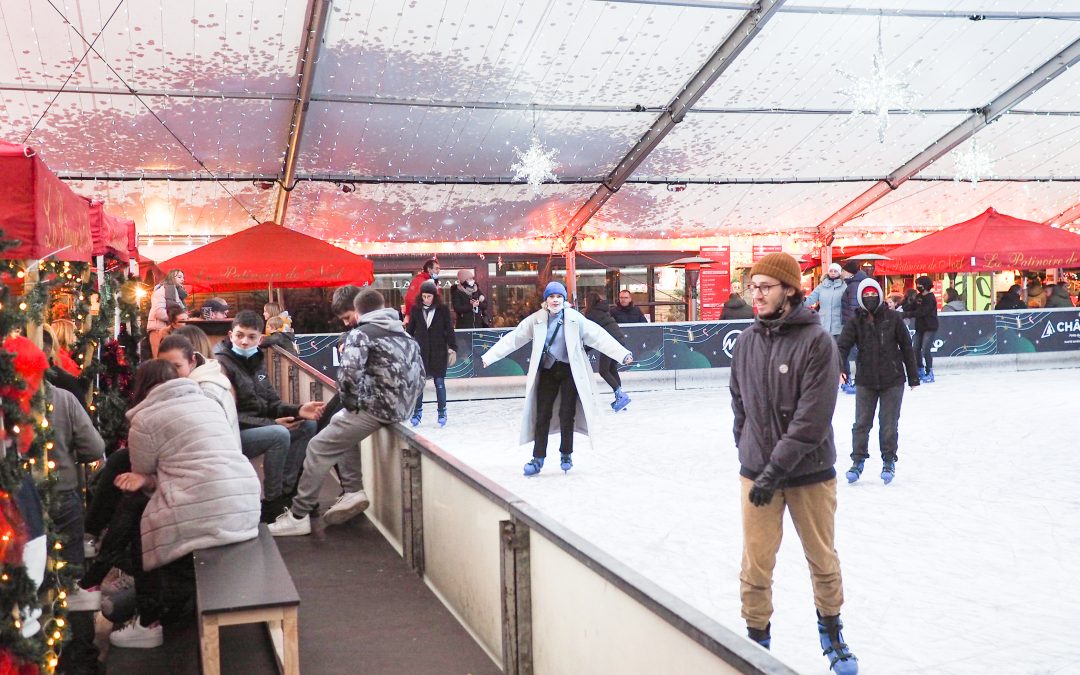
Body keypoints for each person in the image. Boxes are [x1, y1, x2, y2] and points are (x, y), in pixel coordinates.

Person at [728, 252, 858, 674]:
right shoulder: (746, 341)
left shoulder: (817, 342)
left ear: (790, 291)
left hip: (808, 474)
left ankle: (832, 630)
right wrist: (748, 450)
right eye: (753, 287)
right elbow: (739, 402)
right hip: (757, 474)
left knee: (821, 557)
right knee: (756, 562)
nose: (757, 295)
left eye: (766, 287)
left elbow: (813, 419)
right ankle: (756, 639)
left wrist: (772, 469)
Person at [108, 360, 260, 648]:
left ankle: (148, 621)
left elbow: (143, 474)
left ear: (141, 389)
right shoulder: (208, 403)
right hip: (246, 502)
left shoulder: (144, 420)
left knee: (140, 519)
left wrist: (146, 481)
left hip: (209, 510)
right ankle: (145, 602)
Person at [268, 289, 425, 537]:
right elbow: (421, 376)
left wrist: (354, 403)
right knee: (338, 420)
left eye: (348, 317)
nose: (347, 323)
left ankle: (299, 515)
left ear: (359, 310)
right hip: (400, 408)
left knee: (318, 446)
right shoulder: (403, 334)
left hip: (377, 408)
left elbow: (348, 377)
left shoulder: (361, 333)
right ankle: (352, 490)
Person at [481, 282, 633, 476]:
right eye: (551, 296)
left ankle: (566, 453)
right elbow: (514, 338)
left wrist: (622, 354)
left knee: (566, 413)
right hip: (547, 371)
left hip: (569, 371)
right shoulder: (536, 320)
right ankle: (538, 458)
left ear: (564, 299)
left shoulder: (575, 319)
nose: (555, 300)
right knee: (542, 414)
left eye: (558, 297)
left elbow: (598, 337)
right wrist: (490, 356)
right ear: (546, 299)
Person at [214, 311, 323, 521]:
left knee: (308, 426)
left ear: (260, 339)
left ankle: (288, 492)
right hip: (236, 433)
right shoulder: (222, 365)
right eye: (239, 335)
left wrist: (298, 410)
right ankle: (273, 503)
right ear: (230, 335)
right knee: (279, 434)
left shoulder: (257, 360)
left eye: (251, 337)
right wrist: (272, 423)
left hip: (260, 425)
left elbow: (271, 401)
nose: (244, 342)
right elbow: (229, 415)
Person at [46, 374, 106, 670]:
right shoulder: (62, 398)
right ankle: (80, 657)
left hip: (15, 507)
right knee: (70, 578)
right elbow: (94, 449)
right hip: (63, 496)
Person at [836, 278, 920, 485]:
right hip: (866, 380)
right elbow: (842, 347)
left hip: (893, 380)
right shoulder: (855, 322)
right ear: (861, 299)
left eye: (874, 295)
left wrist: (913, 376)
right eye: (866, 296)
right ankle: (857, 460)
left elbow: (907, 347)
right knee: (862, 423)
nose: (870, 298)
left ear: (880, 296)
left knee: (889, 424)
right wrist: (838, 368)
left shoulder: (893, 318)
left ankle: (889, 460)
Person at [157, 333, 241, 449]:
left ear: (193, 361)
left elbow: (208, 442)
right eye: (164, 366)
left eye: (177, 366)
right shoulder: (207, 376)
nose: (169, 372)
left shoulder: (204, 392)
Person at [406, 281, 457, 427]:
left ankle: (442, 412)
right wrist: (406, 344)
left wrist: (452, 347)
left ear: (434, 296)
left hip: (439, 351)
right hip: (421, 352)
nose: (426, 299)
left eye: (429, 296)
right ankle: (417, 413)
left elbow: (449, 329)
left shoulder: (442, 310)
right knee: (419, 384)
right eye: (424, 296)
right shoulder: (416, 309)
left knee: (439, 383)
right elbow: (410, 330)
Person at [583, 292, 631, 411]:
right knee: (612, 369)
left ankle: (620, 395)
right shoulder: (603, 310)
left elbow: (592, 336)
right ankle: (621, 398)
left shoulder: (591, 314)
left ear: (588, 302)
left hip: (610, 342)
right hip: (618, 339)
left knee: (603, 370)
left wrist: (584, 348)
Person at [146, 269, 187, 357]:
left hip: (170, 330)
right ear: (171, 277)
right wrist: (176, 319)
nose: (182, 279)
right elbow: (159, 312)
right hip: (158, 329)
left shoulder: (178, 294)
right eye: (179, 277)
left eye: (183, 277)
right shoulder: (161, 291)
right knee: (159, 358)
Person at [906, 276, 939, 383]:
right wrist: (904, 303)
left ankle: (929, 371)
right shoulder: (919, 296)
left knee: (925, 349)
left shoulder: (930, 298)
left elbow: (923, 311)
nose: (917, 286)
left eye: (919, 284)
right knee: (915, 349)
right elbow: (912, 307)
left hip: (930, 327)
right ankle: (920, 369)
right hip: (920, 327)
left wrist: (908, 314)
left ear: (924, 285)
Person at [804, 263, 845, 337]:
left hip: (838, 327)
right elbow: (810, 299)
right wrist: (800, 300)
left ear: (839, 273)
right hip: (823, 325)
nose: (833, 273)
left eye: (835, 271)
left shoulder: (844, 286)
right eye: (831, 271)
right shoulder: (821, 286)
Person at [403, 258, 440, 322]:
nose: (438, 271)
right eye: (436, 268)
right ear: (429, 269)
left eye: (439, 269)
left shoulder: (421, 280)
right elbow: (410, 299)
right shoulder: (421, 281)